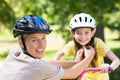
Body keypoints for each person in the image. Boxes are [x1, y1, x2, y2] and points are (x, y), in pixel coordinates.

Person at [0, 15, 96, 80]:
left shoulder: (15, 51)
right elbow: (72, 73)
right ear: (21, 42)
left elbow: (45, 63)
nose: (42, 45)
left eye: (43, 38)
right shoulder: (37, 66)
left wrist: (75, 62)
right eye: (34, 40)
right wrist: (89, 56)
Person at [54, 13, 120, 80]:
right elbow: (58, 54)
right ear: (73, 33)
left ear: (92, 33)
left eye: (86, 32)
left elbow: (116, 60)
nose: (83, 37)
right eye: (78, 33)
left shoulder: (97, 43)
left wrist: (109, 67)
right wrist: (55, 72)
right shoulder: (73, 45)